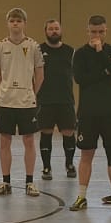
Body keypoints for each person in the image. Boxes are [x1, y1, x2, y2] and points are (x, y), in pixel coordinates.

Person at [70, 16, 111, 211]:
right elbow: (80, 79)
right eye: (93, 31)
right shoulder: (80, 54)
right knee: (86, 155)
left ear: (106, 31)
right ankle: (81, 196)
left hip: (110, 112)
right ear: (88, 31)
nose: (97, 35)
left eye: (101, 31)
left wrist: (101, 53)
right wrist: (104, 72)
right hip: (88, 113)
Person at [0, 7, 45, 197]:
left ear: (24, 23)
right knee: (4, 142)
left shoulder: (33, 46)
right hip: (5, 102)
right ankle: (6, 182)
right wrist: (6, 91)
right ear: (7, 23)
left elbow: (40, 74)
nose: (15, 24)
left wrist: (31, 92)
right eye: (12, 21)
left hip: (26, 102)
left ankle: (30, 182)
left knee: (29, 141)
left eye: (19, 21)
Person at [36, 18, 76, 180]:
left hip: (65, 99)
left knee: (68, 132)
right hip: (45, 100)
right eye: (50, 29)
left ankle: (70, 164)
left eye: (56, 28)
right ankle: (46, 167)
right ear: (45, 31)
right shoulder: (38, 50)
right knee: (46, 133)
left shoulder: (70, 51)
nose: (54, 31)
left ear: (61, 30)